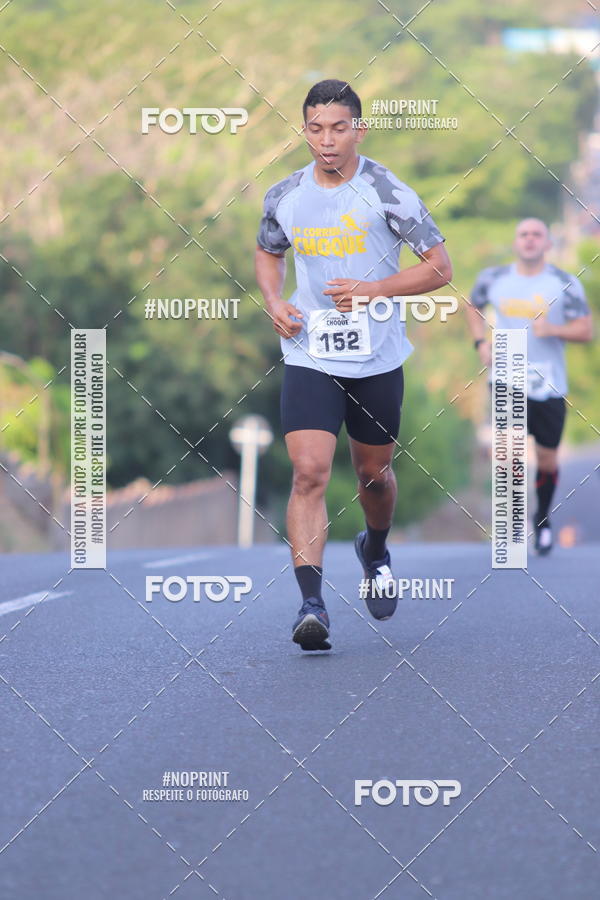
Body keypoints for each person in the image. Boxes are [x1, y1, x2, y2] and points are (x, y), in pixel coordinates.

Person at [254, 79, 451, 650]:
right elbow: (269, 251)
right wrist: (274, 301)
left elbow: (440, 267)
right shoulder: (285, 195)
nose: (327, 139)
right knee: (309, 473)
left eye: (339, 127)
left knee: (373, 475)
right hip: (310, 351)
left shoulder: (388, 192)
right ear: (305, 131)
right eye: (316, 128)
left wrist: (373, 289)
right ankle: (311, 605)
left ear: (358, 130)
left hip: (378, 355)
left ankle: (376, 547)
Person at [466, 218, 593, 556]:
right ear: (515, 242)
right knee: (509, 454)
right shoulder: (493, 279)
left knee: (547, 460)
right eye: (524, 234)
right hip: (508, 374)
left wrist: (554, 331)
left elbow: (585, 330)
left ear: (548, 243)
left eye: (538, 234)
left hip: (549, 382)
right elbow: (472, 305)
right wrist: (480, 342)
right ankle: (512, 525)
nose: (530, 240)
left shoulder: (565, 282)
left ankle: (543, 519)